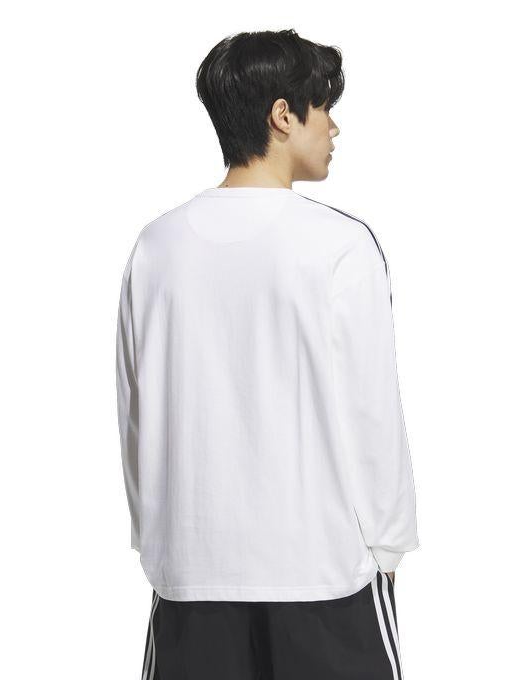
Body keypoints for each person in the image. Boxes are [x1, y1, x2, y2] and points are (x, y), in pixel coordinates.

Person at [115, 28, 419, 680]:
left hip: (191, 578)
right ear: (283, 115)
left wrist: (158, 541)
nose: (333, 127)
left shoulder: (156, 246)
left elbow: (134, 410)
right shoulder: (339, 245)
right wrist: (390, 547)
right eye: (324, 107)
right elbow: (372, 412)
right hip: (324, 579)